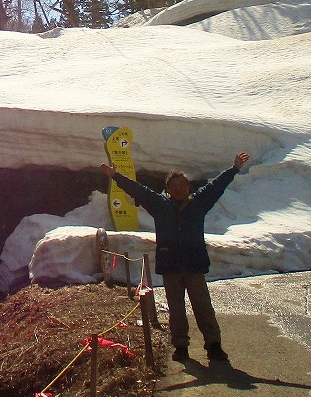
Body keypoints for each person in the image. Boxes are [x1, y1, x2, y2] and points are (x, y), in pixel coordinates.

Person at [100, 151, 250, 363]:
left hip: (194, 264)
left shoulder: (198, 202)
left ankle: (214, 345)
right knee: (176, 310)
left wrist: (234, 169)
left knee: (203, 306)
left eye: (183, 186)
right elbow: (139, 191)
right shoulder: (159, 204)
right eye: (174, 186)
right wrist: (115, 176)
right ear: (168, 189)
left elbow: (217, 186)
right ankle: (181, 346)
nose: (179, 189)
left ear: (188, 187)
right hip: (170, 265)